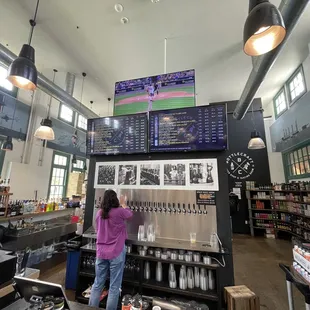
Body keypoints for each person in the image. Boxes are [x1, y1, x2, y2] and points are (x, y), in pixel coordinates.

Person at [89, 190, 133, 310]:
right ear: (115, 199)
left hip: (101, 252)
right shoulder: (119, 212)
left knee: (97, 284)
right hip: (116, 252)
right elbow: (129, 214)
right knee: (114, 287)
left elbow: (98, 230)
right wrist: (124, 203)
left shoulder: (99, 213)